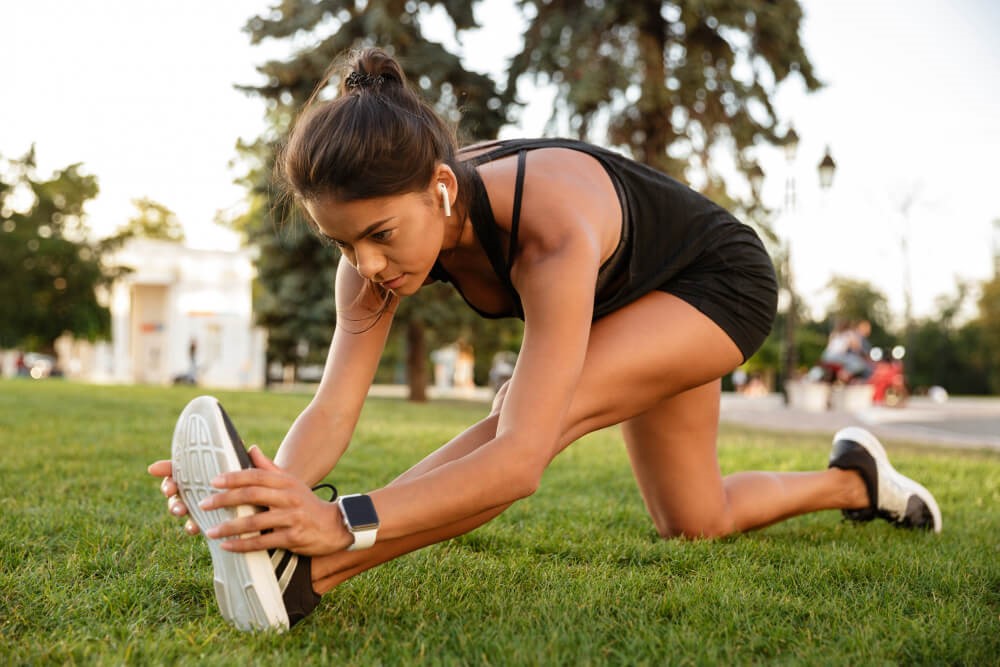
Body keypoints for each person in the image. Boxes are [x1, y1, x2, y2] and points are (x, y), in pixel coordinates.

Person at [148, 48, 941, 632]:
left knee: (527, 413)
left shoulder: (548, 226)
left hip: (714, 284)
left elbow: (520, 458)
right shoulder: (370, 264)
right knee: (693, 519)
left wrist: (332, 521)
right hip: (627, 295)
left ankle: (310, 576)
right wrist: (262, 496)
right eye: (344, 244)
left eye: (381, 235)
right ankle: (856, 482)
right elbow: (331, 410)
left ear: (443, 187)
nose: (369, 264)